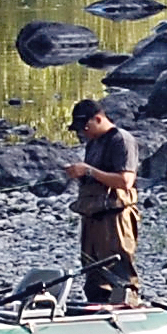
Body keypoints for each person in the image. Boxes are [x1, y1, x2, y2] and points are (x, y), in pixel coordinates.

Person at [67, 95, 141, 306]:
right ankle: (97, 310)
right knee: (93, 271)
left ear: (98, 119)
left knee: (119, 270)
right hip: (93, 215)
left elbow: (125, 180)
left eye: (85, 126)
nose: (83, 132)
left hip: (115, 217)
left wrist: (88, 170)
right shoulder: (93, 143)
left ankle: (125, 309)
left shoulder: (122, 140)